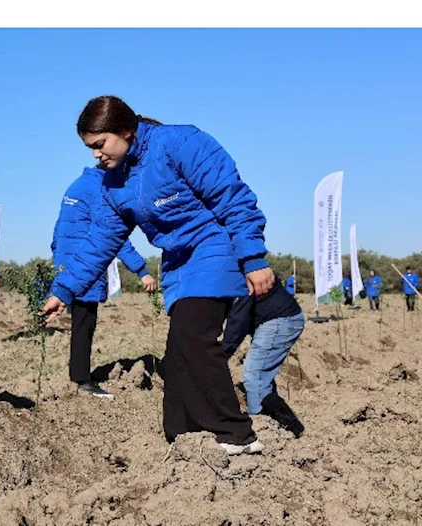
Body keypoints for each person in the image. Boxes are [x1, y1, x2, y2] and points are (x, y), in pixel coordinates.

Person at [42, 96, 274, 455]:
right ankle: (182, 435)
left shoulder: (179, 143)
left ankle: (238, 435)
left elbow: (233, 198)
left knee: (194, 337)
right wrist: (64, 290)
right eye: (89, 148)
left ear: (125, 130)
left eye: (99, 145)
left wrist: (254, 258)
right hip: (178, 262)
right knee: (178, 352)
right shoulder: (113, 183)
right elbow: (100, 241)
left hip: (213, 247)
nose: (95, 155)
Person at [52, 166, 156, 398]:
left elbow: (59, 229)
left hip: (68, 263)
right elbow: (112, 236)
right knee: (84, 324)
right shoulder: (100, 189)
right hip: (84, 265)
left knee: (80, 322)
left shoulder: (77, 185)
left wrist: (58, 262)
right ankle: (81, 380)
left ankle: (78, 375)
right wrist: (141, 270)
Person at [222, 278, 305, 438]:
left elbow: (238, 321)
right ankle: (285, 426)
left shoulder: (238, 277)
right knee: (262, 378)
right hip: (279, 317)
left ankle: (261, 427)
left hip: (279, 319)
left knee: (255, 373)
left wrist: (222, 353)